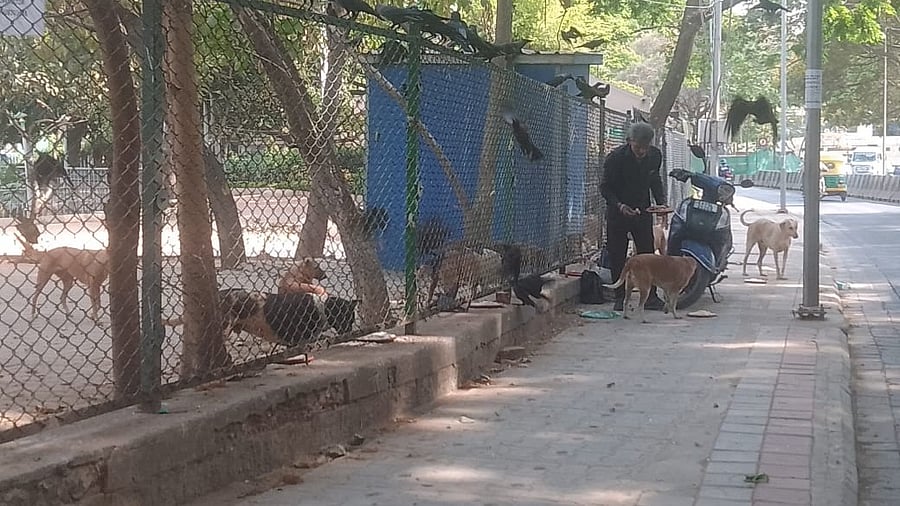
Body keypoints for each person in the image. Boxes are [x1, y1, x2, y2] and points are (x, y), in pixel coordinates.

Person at [599, 122, 667, 312]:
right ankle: (620, 297)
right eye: (638, 147)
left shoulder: (655, 156)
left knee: (647, 255)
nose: (642, 152)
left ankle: (651, 297)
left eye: (645, 148)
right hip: (618, 212)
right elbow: (605, 187)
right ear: (629, 142)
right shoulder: (615, 158)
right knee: (617, 255)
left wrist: (661, 202)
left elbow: (655, 180)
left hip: (643, 212)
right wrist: (620, 205)